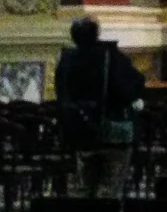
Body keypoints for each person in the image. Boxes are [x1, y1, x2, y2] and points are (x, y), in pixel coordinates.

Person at [55, 17, 145, 199]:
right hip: (113, 133)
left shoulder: (66, 59)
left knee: (83, 189)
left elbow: (61, 94)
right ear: (97, 34)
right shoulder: (111, 57)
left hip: (81, 132)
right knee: (109, 188)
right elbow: (131, 85)